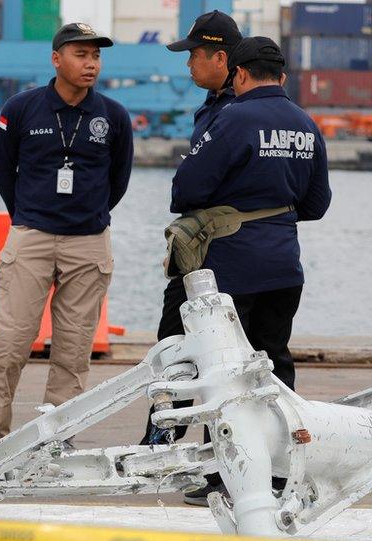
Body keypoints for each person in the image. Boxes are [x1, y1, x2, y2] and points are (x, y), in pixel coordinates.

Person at [163, 36, 332, 505]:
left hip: (232, 266)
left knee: (225, 373)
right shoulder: (305, 123)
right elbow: (317, 204)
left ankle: (225, 476)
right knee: (273, 366)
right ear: (281, 76)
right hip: (284, 265)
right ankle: (280, 474)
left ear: (238, 74)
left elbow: (186, 188)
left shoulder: (232, 117)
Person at [0, 23, 134, 461]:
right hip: (32, 236)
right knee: (10, 341)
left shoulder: (113, 116)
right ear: (56, 59)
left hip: (89, 242)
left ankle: (58, 436)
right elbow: (4, 172)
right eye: (81, 54)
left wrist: (91, 216)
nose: (91, 63)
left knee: (74, 349)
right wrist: (25, 218)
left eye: (96, 55)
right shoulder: (20, 109)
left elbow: (119, 179)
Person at [139, 10, 242, 446]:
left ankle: (198, 448)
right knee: (177, 341)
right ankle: (168, 436)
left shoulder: (238, 112)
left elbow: (192, 187)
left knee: (194, 343)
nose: (188, 64)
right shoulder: (217, 105)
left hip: (220, 244)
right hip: (210, 243)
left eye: (194, 54)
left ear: (220, 58)